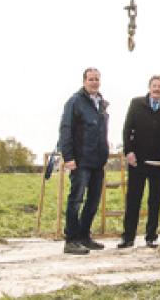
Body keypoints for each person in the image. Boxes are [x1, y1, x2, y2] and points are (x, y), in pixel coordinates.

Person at [119, 75, 160, 249]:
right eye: (154, 86)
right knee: (133, 199)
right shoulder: (136, 103)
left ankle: (151, 237)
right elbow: (127, 129)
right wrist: (128, 152)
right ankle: (128, 237)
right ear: (149, 87)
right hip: (138, 160)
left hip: (158, 161)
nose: (157, 89)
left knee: (154, 200)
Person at [58, 67, 110, 255]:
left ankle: (84, 236)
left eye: (97, 79)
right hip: (80, 160)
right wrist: (68, 157)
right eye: (91, 79)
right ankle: (71, 240)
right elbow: (65, 129)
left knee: (93, 200)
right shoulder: (75, 102)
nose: (94, 82)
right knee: (76, 199)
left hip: (98, 160)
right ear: (84, 81)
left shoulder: (101, 104)